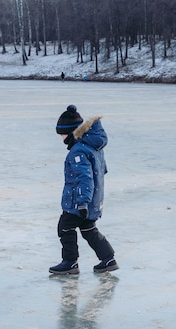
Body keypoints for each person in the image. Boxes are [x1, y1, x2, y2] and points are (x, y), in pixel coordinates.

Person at [49, 105, 118, 275]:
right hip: (92, 199)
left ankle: (70, 262)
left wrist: (82, 202)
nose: (62, 138)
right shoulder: (93, 147)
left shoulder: (78, 151)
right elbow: (102, 172)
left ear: (72, 132)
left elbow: (85, 178)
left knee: (65, 227)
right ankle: (108, 259)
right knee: (88, 229)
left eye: (62, 134)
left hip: (79, 202)